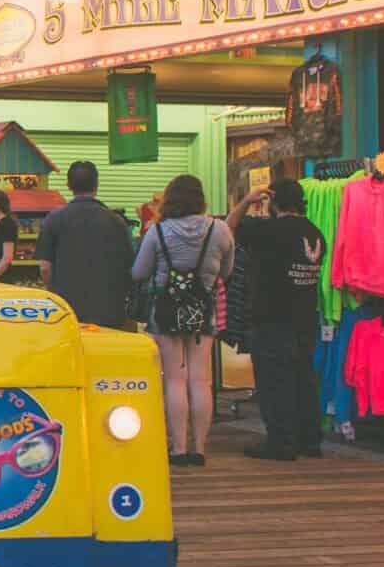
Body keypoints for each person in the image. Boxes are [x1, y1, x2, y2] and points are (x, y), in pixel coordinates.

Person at [132, 174, 234, 467]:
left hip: (166, 311)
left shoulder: (157, 231)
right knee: (199, 379)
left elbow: (139, 272)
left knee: (174, 379)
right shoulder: (220, 229)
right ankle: (199, 448)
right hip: (204, 309)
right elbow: (226, 272)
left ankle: (178, 448)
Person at [228, 182, 326, 461]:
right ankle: (309, 439)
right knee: (304, 380)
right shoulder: (315, 233)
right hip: (305, 318)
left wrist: (247, 201)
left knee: (274, 383)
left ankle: (280, 442)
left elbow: (229, 227)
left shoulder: (270, 231)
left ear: (274, 201)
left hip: (272, 316)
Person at [35, 161, 135, 329]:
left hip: (66, 308)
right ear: (97, 184)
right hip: (109, 307)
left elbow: (44, 267)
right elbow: (130, 266)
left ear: (68, 185)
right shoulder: (117, 221)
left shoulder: (54, 219)